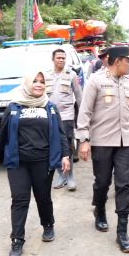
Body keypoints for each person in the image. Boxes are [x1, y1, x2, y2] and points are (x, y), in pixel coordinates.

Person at [0, 71, 70, 256]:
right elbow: (3, 134)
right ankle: (17, 240)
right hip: (18, 162)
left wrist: (65, 155)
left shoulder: (50, 108)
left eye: (42, 82)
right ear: (27, 84)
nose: (39, 84)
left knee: (43, 197)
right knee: (19, 200)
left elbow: (61, 133)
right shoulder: (14, 107)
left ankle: (48, 224)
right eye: (35, 81)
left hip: (43, 161)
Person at [76, 46, 129, 253]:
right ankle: (100, 208)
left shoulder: (128, 83)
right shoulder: (96, 81)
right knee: (102, 181)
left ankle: (122, 231)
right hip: (102, 141)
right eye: (127, 61)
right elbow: (85, 111)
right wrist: (84, 140)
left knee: (124, 185)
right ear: (116, 61)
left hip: (124, 142)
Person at [46, 49, 82, 191]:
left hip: (66, 116)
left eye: (63, 58)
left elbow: (79, 97)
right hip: (50, 116)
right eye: (58, 58)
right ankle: (61, 175)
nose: (61, 60)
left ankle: (70, 176)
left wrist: (83, 118)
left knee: (67, 146)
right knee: (53, 146)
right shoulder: (46, 75)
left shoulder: (71, 75)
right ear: (53, 59)